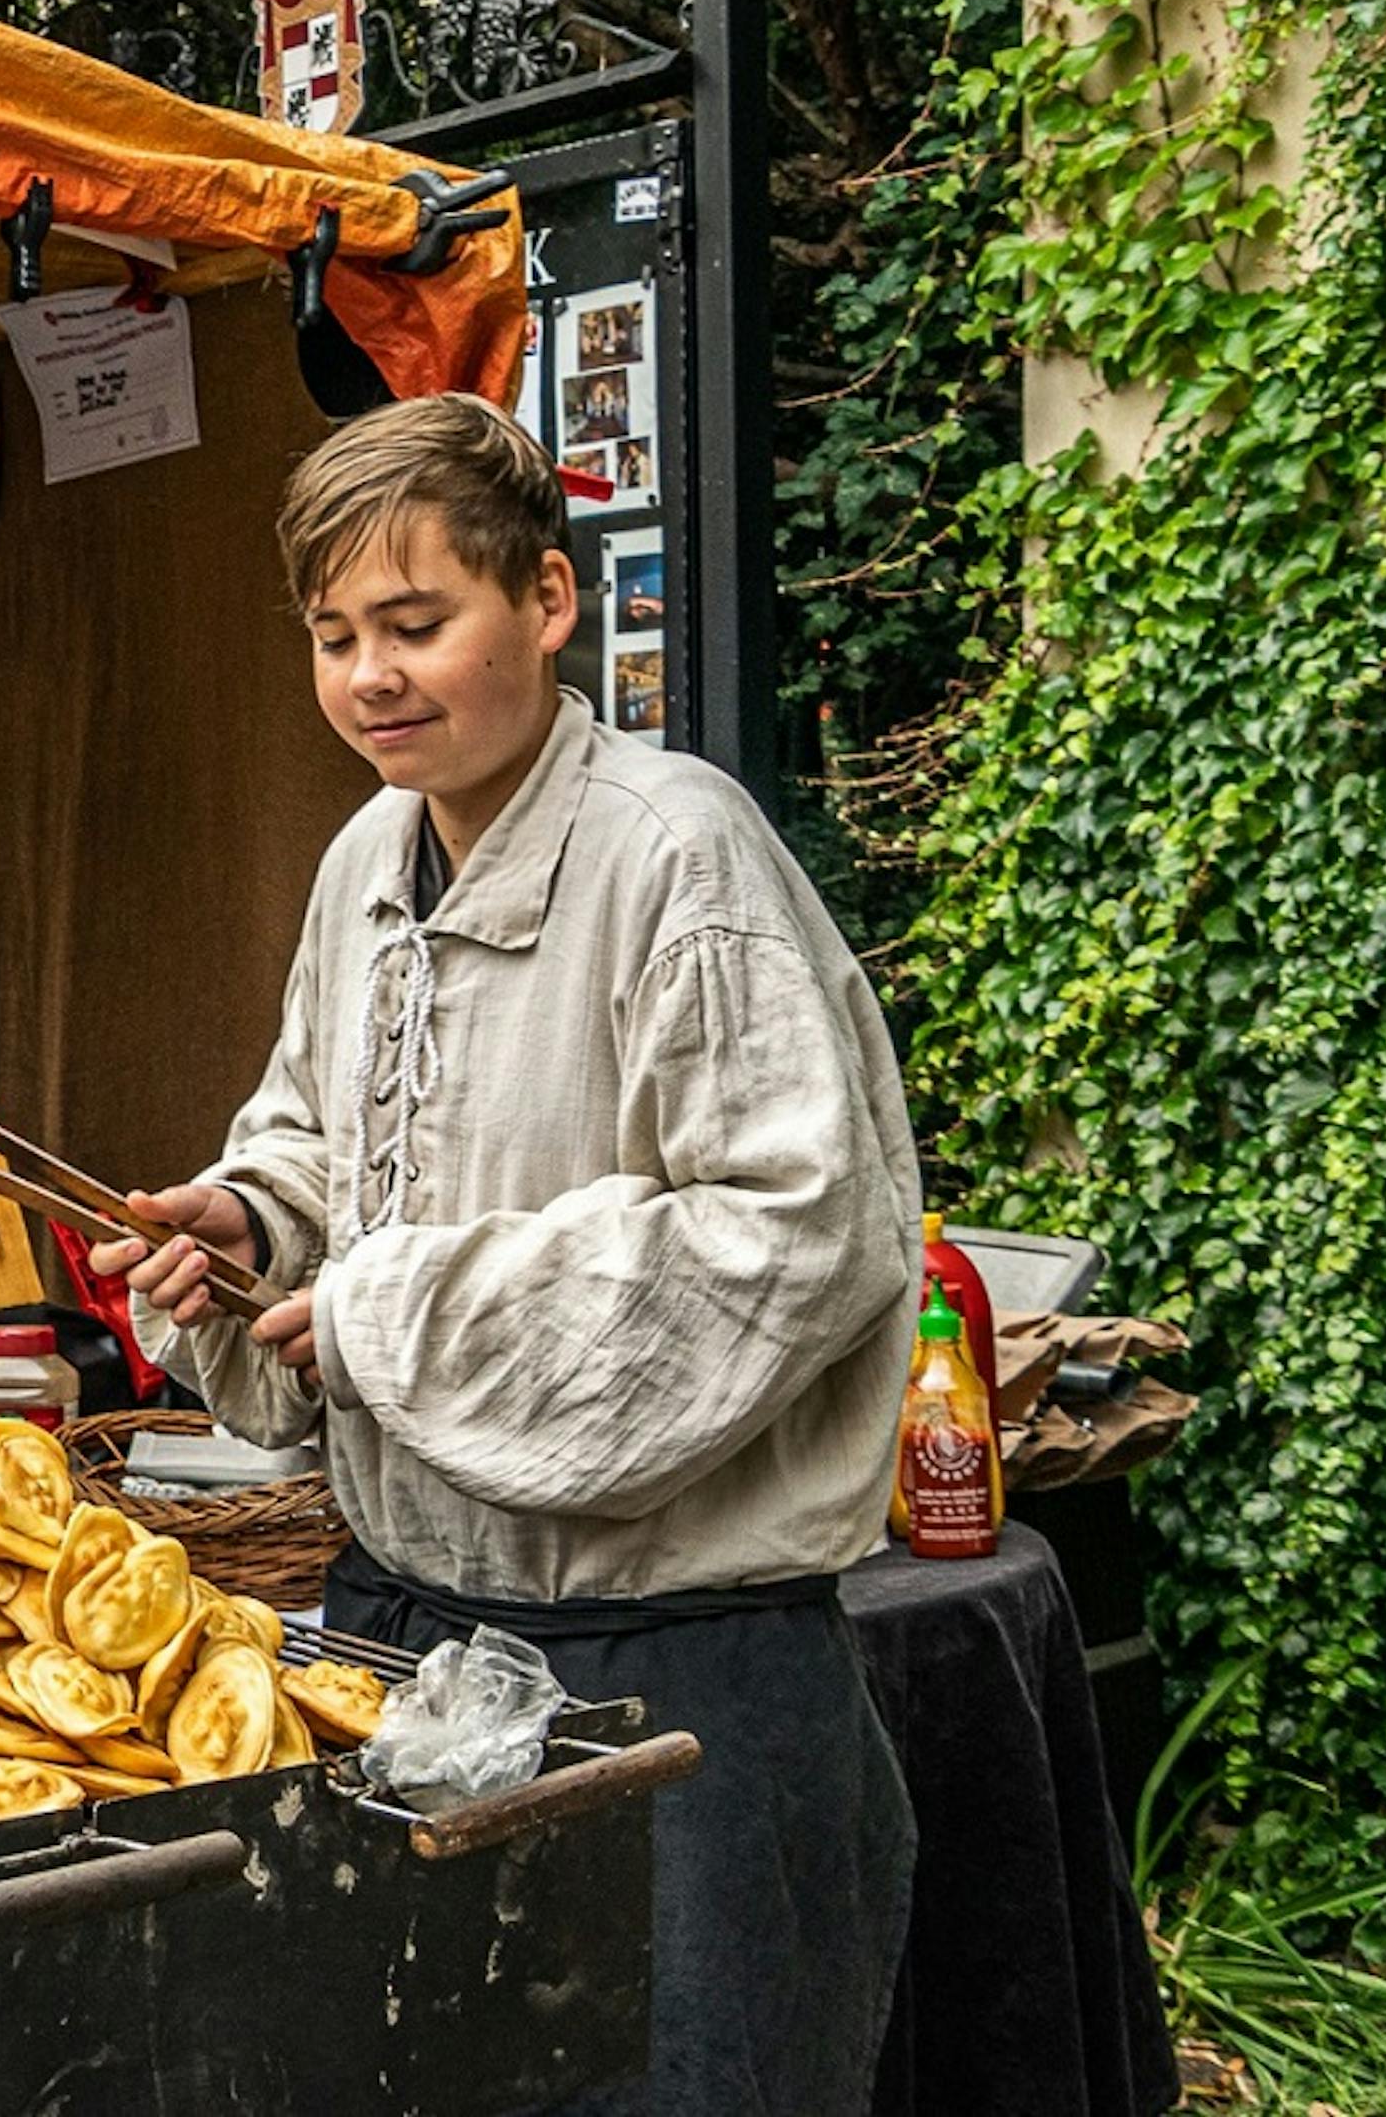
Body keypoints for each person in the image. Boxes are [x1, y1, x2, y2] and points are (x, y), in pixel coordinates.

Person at [95, 394, 920, 2117]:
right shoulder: (357, 865)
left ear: (545, 602)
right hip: (406, 1638)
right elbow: (326, 1132)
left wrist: (392, 1304)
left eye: (416, 625)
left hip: (672, 1673)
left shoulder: (679, 852)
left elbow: (799, 1233)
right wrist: (254, 1220)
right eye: (334, 639)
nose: (370, 679)